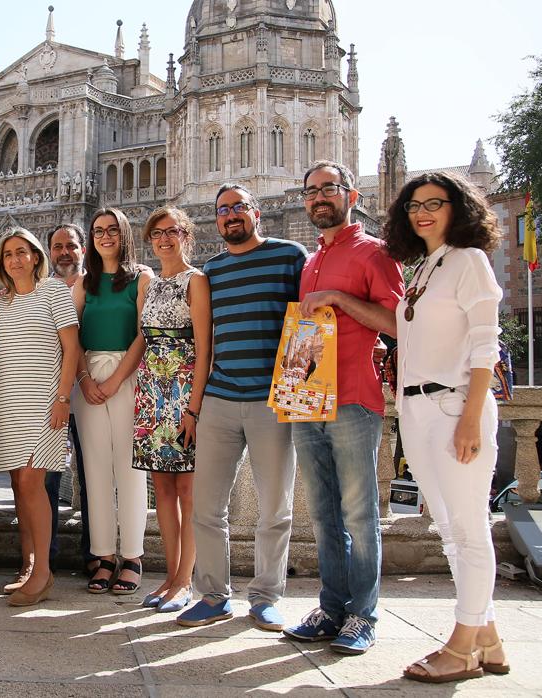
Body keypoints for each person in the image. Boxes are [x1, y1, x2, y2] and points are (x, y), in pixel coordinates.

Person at [383, 173, 509, 683]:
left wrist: (472, 417)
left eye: (436, 203)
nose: (423, 212)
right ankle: (490, 638)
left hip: (455, 405)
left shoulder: (468, 262)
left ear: (459, 209)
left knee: (469, 530)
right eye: (415, 205)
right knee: (449, 531)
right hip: (416, 409)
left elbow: (485, 345)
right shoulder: (423, 268)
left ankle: (461, 647)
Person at [283, 161, 404, 655]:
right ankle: (331, 608)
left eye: (328, 189)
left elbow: (397, 323)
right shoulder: (311, 261)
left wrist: (338, 298)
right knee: (322, 513)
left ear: (350, 194)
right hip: (307, 397)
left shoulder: (374, 253)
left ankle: (363, 614)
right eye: (310, 191)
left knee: (359, 514)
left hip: (354, 397)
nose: (318, 198)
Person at [176, 185, 306, 631]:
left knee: (275, 507)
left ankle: (266, 597)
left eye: (238, 207)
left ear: (255, 213)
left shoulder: (290, 256)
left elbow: (308, 323)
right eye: (223, 210)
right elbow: (203, 343)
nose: (231, 215)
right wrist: (194, 407)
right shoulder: (210, 271)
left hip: (272, 403)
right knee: (207, 508)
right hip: (220, 399)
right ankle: (212, 596)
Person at [0, 227, 79, 606]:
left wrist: (62, 397)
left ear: (36, 257)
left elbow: (72, 349)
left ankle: (42, 573)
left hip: (43, 402)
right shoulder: (4, 301)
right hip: (8, 402)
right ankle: (28, 567)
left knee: (32, 484)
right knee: (19, 487)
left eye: (22, 252)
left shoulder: (55, 291)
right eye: (8, 254)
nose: (15, 259)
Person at [133, 207, 211, 614]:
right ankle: (169, 575)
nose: (164, 239)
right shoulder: (148, 282)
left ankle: (185, 580)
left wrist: (193, 409)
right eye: (157, 233)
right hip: (151, 391)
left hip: (183, 393)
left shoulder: (195, 282)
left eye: (172, 232)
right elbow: (143, 339)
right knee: (161, 488)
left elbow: (204, 349)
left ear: (186, 236)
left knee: (188, 491)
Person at [72, 207, 151, 595]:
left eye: (112, 230)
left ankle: (133, 556)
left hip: (128, 375)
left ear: (124, 235)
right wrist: (85, 379)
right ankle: (103, 556)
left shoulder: (141, 278)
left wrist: (118, 378)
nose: (105, 237)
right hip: (87, 378)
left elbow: (143, 334)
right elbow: (70, 338)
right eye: (98, 230)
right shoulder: (83, 283)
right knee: (96, 469)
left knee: (130, 469)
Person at [47, 223, 95, 577]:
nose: (65, 252)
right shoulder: (41, 290)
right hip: (49, 397)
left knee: (92, 474)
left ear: (83, 249)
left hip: (92, 391)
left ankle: (95, 552)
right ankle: (43, 553)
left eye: (71, 245)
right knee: (46, 475)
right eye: (58, 246)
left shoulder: (96, 287)